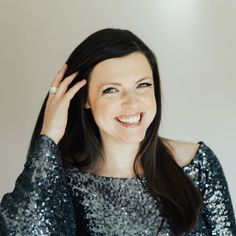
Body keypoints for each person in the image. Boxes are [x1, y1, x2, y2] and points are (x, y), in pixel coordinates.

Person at [0, 28, 235, 236]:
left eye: (143, 85)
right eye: (111, 90)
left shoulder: (197, 163)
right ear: (84, 99)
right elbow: (24, 229)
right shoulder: (65, 180)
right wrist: (49, 137)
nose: (132, 104)